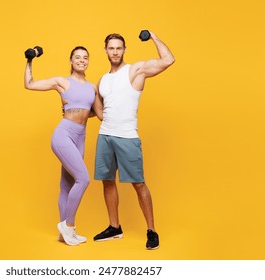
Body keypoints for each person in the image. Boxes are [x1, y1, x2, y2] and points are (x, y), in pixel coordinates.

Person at [93, 31, 175, 249]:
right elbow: (100, 111)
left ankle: (151, 230)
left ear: (124, 50)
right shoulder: (103, 80)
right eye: (111, 48)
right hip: (105, 135)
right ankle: (114, 227)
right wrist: (72, 111)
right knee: (107, 180)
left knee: (138, 184)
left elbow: (168, 60)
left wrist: (154, 37)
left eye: (119, 48)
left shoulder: (135, 70)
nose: (115, 52)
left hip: (127, 137)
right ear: (105, 50)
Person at [24, 46, 103, 246]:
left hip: (81, 136)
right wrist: (30, 60)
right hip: (64, 134)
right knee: (83, 179)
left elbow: (98, 114)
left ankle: (63, 234)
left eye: (85, 57)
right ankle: (69, 226)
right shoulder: (62, 82)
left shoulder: (92, 87)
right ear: (71, 60)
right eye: (77, 57)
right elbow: (30, 84)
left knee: (67, 184)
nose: (82, 60)